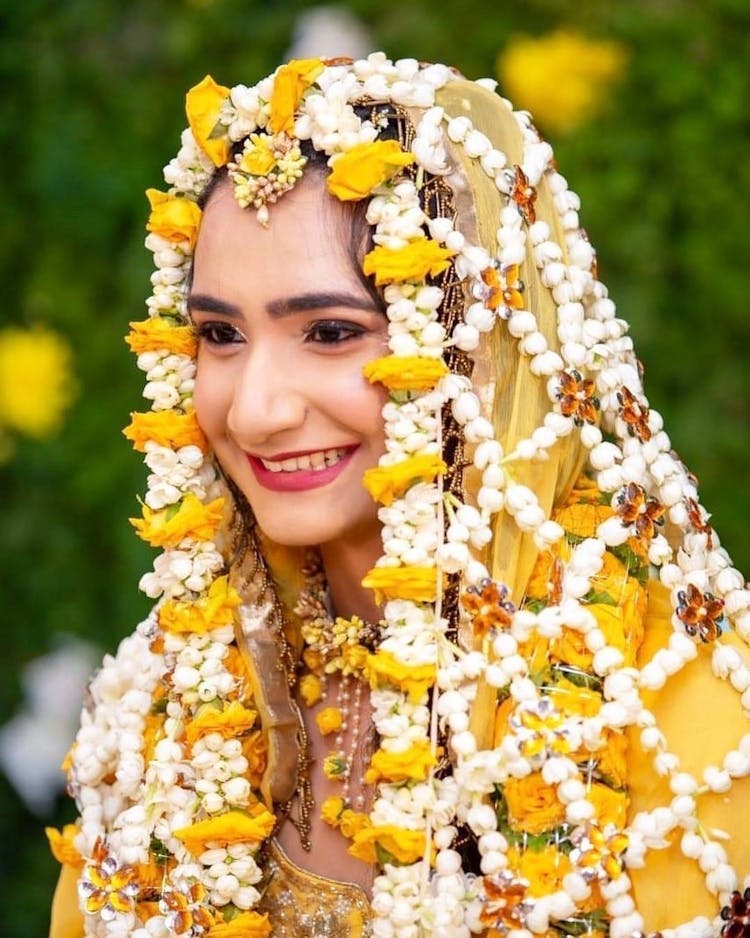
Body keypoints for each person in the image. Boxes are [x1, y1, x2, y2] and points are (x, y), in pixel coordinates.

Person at [47, 53, 750, 938]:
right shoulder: (162, 704)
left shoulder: (681, 724)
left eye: (331, 332)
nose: (257, 410)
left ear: (481, 348)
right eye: (220, 334)